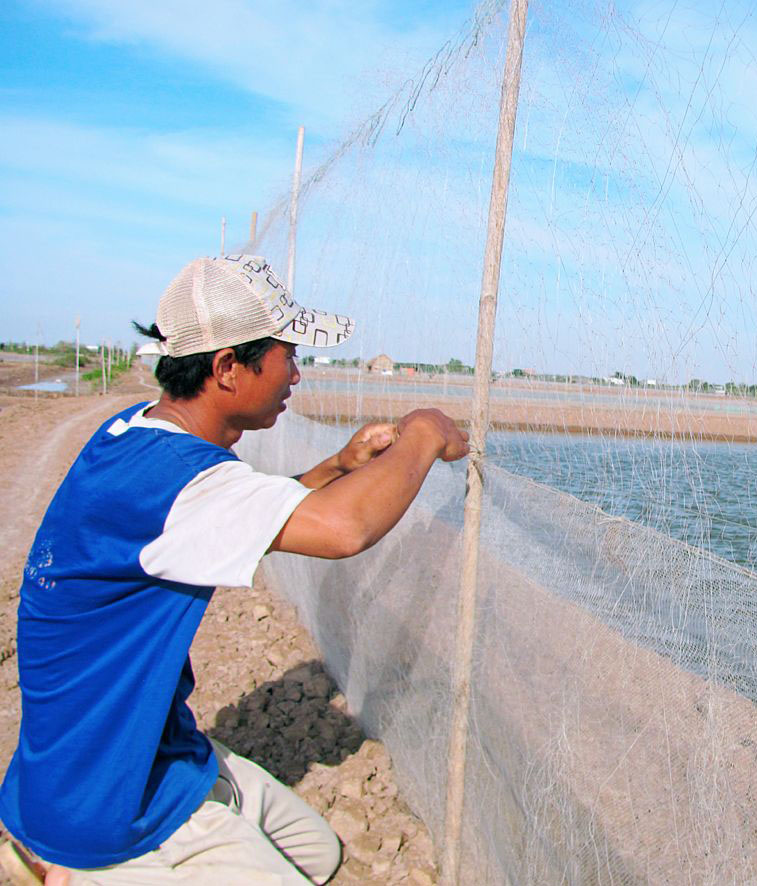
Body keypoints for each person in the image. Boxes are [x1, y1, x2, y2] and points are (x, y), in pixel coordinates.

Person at [0, 254, 469, 884]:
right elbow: (344, 529)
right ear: (227, 369)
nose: (297, 374)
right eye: (287, 354)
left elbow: (230, 520)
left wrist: (336, 466)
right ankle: (69, 870)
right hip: (104, 808)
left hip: (135, 757)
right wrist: (426, 432)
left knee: (319, 853)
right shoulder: (174, 484)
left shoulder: (136, 434)